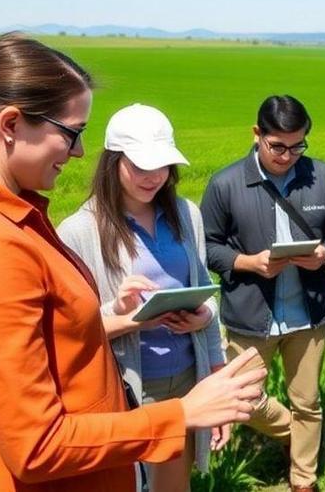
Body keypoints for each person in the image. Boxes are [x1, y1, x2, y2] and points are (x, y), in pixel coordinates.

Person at [0, 33, 266, 491]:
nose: (79, 151)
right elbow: (37, 446)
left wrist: (109, 319)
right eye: (72, 132)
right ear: (11, 124)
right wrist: (183, 413)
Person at [58, 104, 229, 492]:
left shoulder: (187, 214)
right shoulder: (78, 232)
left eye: (163, 165)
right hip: (127, 387)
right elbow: (68, 332)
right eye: (139, 166)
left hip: (188, 379)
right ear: (113, 162)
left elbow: (205, 286)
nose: (153, 177)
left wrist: (204, 318)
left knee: (173, 486)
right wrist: (122, 314)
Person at [200, 95, 325, 492]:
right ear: (257, 135)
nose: (287, 156)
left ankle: (303, 480)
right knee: (244, 401)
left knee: (308, 401)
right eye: (277, 146)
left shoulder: (321, 176)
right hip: (250, 314)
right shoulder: (226, 183)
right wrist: (249, 263)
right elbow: (209, 247)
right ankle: (295, 434)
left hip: (310, 313)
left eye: (297, 145)